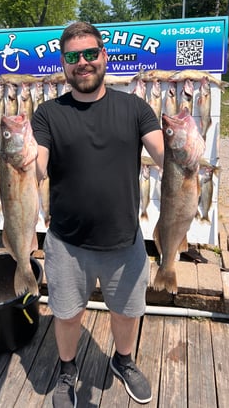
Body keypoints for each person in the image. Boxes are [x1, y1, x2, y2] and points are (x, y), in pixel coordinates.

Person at [31, 21, 164, 407]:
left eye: (90, 54)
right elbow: (39, 164)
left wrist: (181, 151)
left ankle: (124, 360)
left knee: (126, 311)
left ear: (104, 56)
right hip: (66, 243)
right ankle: (68, 368)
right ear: (64, 64)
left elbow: (162, 153)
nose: (83, 63)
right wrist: (24, 160)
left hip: (125, 239)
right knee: (67, 315)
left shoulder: (134, 107)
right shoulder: (47, 114)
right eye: (73, 57)